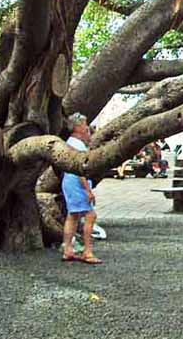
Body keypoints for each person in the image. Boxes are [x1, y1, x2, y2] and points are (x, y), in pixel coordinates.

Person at [61, 113, 103, 264]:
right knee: (91, 215)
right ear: (78, 127)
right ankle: (87, 251)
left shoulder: (70, 142)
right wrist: (88, 190)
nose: (87, 127)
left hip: (69, 182)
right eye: (85, 124)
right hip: (77, 183)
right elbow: (80, 170)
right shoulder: (77, 145)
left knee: (73, 216)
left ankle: (67, 249)